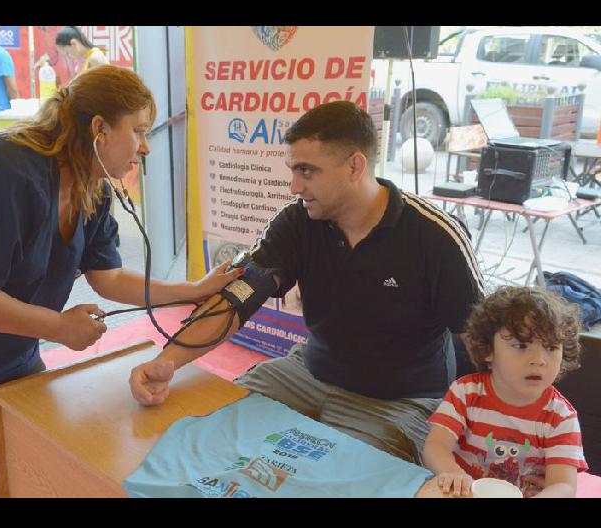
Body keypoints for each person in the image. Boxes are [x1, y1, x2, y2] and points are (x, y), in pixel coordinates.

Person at [0, 65, 240, 497]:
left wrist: (192, 289)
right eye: (139, 131)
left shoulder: (92, 184)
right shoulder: (1, 168)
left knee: (33, 423)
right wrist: (60, 327)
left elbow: (106, 277)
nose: (144, 148)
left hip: (7, 326)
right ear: (99, 128)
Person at [129, 100, 485, 465]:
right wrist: (166, 363)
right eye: (293, 170)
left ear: (354, 166)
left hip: (397, 401)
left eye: (307, 171)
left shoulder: (435, 235)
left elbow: (484, 341)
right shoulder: (297, 222)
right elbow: (238, 298)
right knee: (212, 431)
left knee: (338, 480)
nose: (294, 185)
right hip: (307, 373)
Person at [423, 286, 587, 498]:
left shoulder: (561, 418)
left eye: (551, 347)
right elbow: (436, 445)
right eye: (521, 345)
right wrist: (453, 473)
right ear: (488, 349)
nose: (538, 360)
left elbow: (563, 486)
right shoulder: (465, 392)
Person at [41, 26, 107, 78]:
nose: (69, 57)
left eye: (68, 53)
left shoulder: (95, 58)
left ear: (74, 43)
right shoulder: (84, 60)